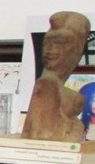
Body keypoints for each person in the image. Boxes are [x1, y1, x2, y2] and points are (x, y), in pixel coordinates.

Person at [22, 11, 89, 141]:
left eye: (61, 42)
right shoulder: (46, 84)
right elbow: (41, 135)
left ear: (78, 48)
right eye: (47, 42)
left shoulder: (52, 84)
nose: (50, 49)